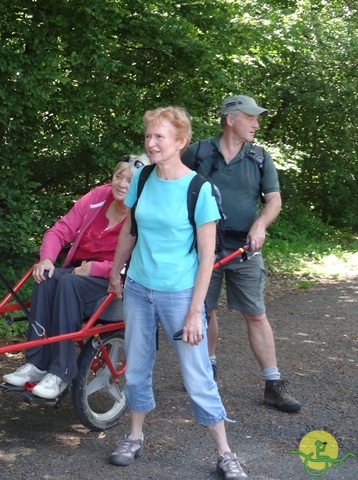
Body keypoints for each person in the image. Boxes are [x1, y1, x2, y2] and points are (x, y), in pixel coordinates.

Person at [107, 107, 247, 479]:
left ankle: (225, 452)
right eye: (148, 136)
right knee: (136, 367)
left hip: (180, 294)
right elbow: (130, 231)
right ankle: (134, 436)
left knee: (197, 373)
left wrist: (193, 312)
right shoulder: (143, 178)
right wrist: (115, 272)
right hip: (138, 287)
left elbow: (206, 260)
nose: (151, 143)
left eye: (159, 137)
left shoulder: (199, 190)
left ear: (180, 142)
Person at [181, 95, 301, 413]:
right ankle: (207, 370)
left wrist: (260, 224)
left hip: (245, 250)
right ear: (231, 119)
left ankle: (273, 384)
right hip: (203, 248)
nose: (257, 124)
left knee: (256, 313)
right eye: (251, 117)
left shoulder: (260, 157)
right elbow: (174, 186)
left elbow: (273, 200)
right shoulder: (199, 152)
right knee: (204, 311)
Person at [2, 155, 146, 399]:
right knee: (47, 278)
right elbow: (60, 230)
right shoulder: (97, 198)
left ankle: (62, 373)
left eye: (130, 180)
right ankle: (37, 364)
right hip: (79, 271)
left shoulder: (144, 212)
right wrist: (46, 258)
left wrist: (96, 269)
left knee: (68, 282)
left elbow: (138, 258)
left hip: (114, 280)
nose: (122, 184)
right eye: (118, 176)